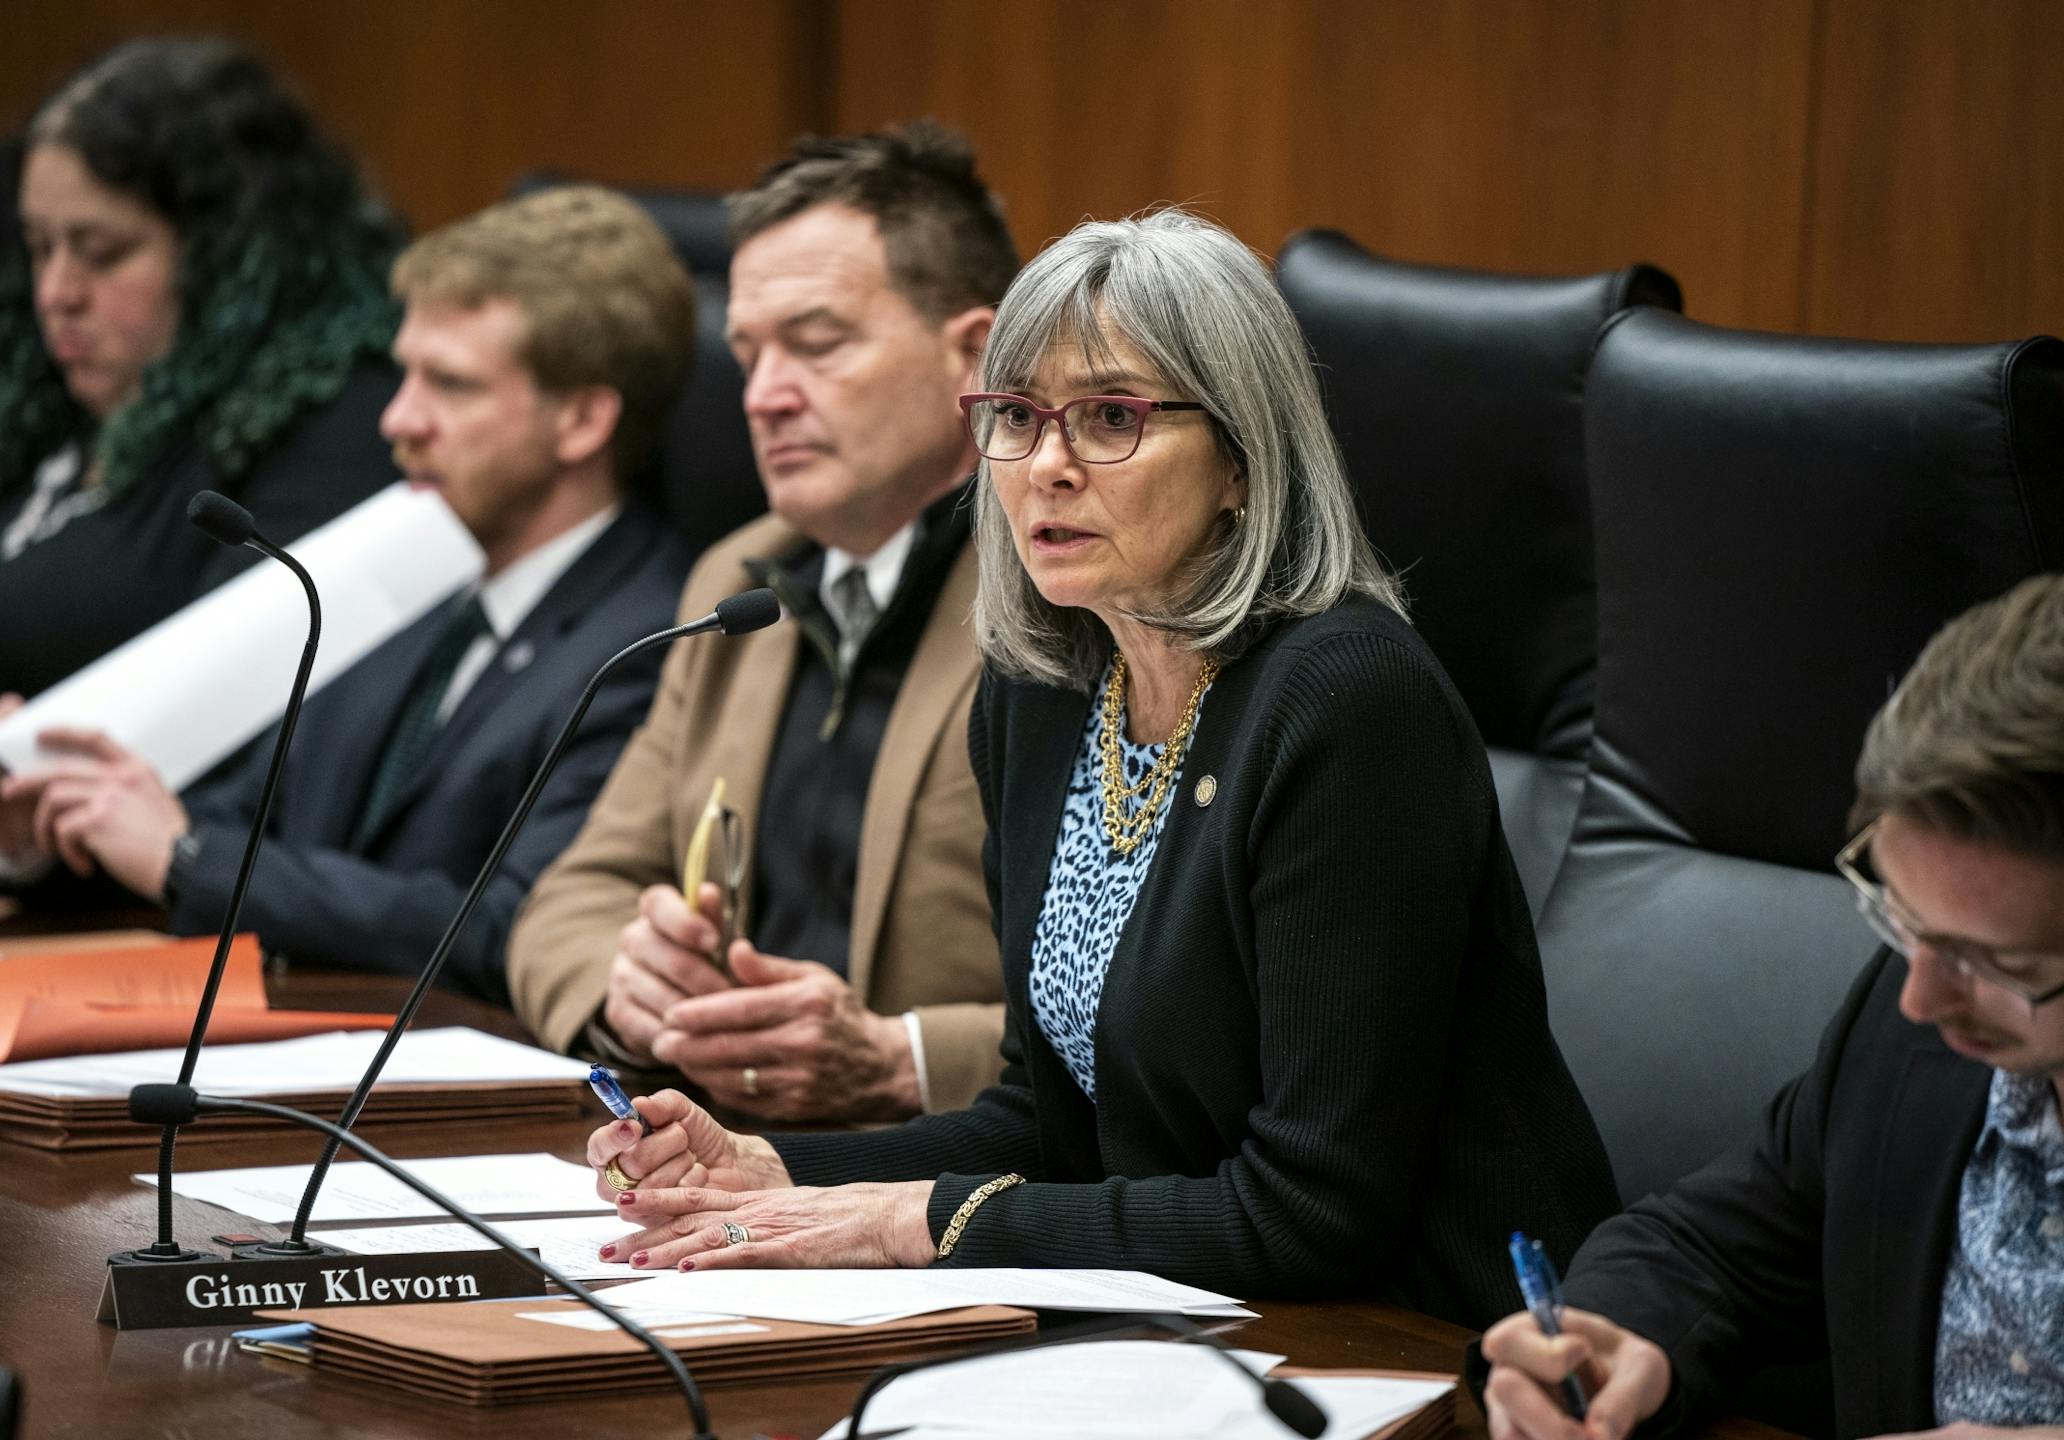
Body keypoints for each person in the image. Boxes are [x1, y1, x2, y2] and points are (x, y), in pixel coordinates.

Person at [582, 209, 1618, 1322]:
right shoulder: (1045, 696)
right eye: (1018, 418)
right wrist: (780, 1169)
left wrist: (910, 1224)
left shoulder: (1346, 703)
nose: (1049, 468)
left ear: (1241, 459)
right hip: (1191, 1317)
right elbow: (1051, 1118)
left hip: (1437, 1339)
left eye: (1112, 418)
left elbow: (1314, 1211)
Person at [0, 186, 698, 1003]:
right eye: (405, 373)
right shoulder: (401, 572)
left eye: (451, 384)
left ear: (582, 421)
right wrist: (35, 834)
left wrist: (186, 855)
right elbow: (227, 830)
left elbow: (514, 928)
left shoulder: (652, 641)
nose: (399, 419)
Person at [508, 123, 1019, 1121]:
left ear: (974, 355)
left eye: (817, 345)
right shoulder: (742, 582)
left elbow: (1163, 1018)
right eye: (748, 354)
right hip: (713, 1162)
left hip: (954, 1188)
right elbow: (568, 900)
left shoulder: (1074, 605)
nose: (764, 396)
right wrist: (633, 989)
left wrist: (900, 1059)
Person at [1478, 574, 2064, 1440]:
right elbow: (1714, 1248)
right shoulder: (1910, 1024)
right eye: (1901, 919)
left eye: (1995, 963)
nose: (1920, 995)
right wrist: (1618, 1344)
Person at [0, 37, 402, 754]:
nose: (55, 294)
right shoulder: (22, 419)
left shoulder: (322, 433)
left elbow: (218, 730)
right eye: (39, 248)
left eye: (100, 253)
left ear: (227, 255)